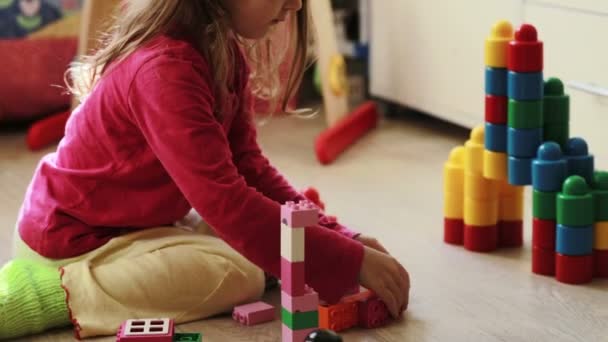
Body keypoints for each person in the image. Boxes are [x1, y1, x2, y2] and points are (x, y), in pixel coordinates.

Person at [0, 0, 410, 339]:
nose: (296, 5)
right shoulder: (163, 68)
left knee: (243, 243)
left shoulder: (220, 51)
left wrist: (341, 237)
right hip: (72, 241)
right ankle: (47, 294)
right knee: (238, 274)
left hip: (134, 226)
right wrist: (345, 260)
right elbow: (226, 201)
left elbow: (249, 169)